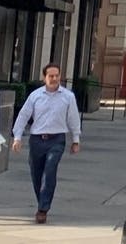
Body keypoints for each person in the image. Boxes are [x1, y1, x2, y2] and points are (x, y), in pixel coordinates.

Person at [11, 63, 81, 225]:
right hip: (37, 140)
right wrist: (17, 137)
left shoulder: (68, 96)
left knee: (50, 170)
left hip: (57, 140)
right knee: (36, 174)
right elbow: (23, 116)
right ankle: (42, 201)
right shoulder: (35, 96)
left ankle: (43, 209)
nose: (55, 78)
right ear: (44, 77)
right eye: (51, 76)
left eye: (57, 75)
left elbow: (73, 119)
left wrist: (75, 140)